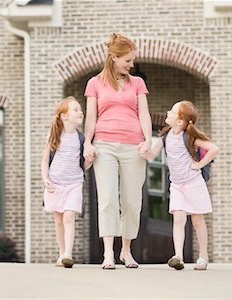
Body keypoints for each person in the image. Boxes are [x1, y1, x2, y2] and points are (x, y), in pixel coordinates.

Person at [83, 33, 152, 269]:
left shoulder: (137, 84)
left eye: (132, 61)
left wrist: (148, 140)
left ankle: (126, 251)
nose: (131, 65)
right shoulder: (94, 83)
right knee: (108, 198)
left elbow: (143, 113)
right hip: (105, 146)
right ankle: (108, 253)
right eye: (127, 60)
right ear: (113, 57)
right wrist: (87, 143)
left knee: (132, 201)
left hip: (134, 146)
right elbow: (91, 117)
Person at [140, 100, 219, 271]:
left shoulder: (189, 137)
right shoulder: (165, 137)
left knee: (197, 220)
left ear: (180, 121)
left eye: (172, 111)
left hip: (193, 184)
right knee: (178, 218)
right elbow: (151, 154)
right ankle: (178, 256)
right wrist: (144, 150)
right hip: (176, 185)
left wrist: (198, 165)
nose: (168, 112)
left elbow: (213, 148)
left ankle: (203, 256)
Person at [41, 96, 92, 268]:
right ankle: (61, 253)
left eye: (80, 109)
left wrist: (89, 161)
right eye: (75, 109)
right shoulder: (54, 135)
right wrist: (45, 178)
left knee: (69, 216)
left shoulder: (81, 138)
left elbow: (83, 166)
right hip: (55, 184)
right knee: (58, 220)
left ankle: (68, 255)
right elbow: (45, 159)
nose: (80, 112)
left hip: (74, 184)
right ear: (64, 116)